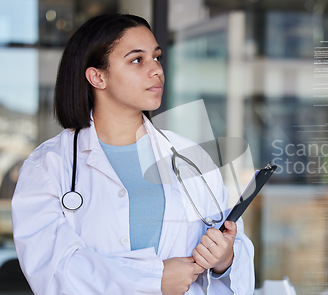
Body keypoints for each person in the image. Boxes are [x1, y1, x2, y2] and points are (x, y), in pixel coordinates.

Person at [11, 13, 254, 294]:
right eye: (137, 60)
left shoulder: (190, 156)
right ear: (97, 76)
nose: (157, 70)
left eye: (157, 57)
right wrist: (154, 280)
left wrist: (224, 259)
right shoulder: (48, 166)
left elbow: (236, 253)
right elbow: (53, 271)